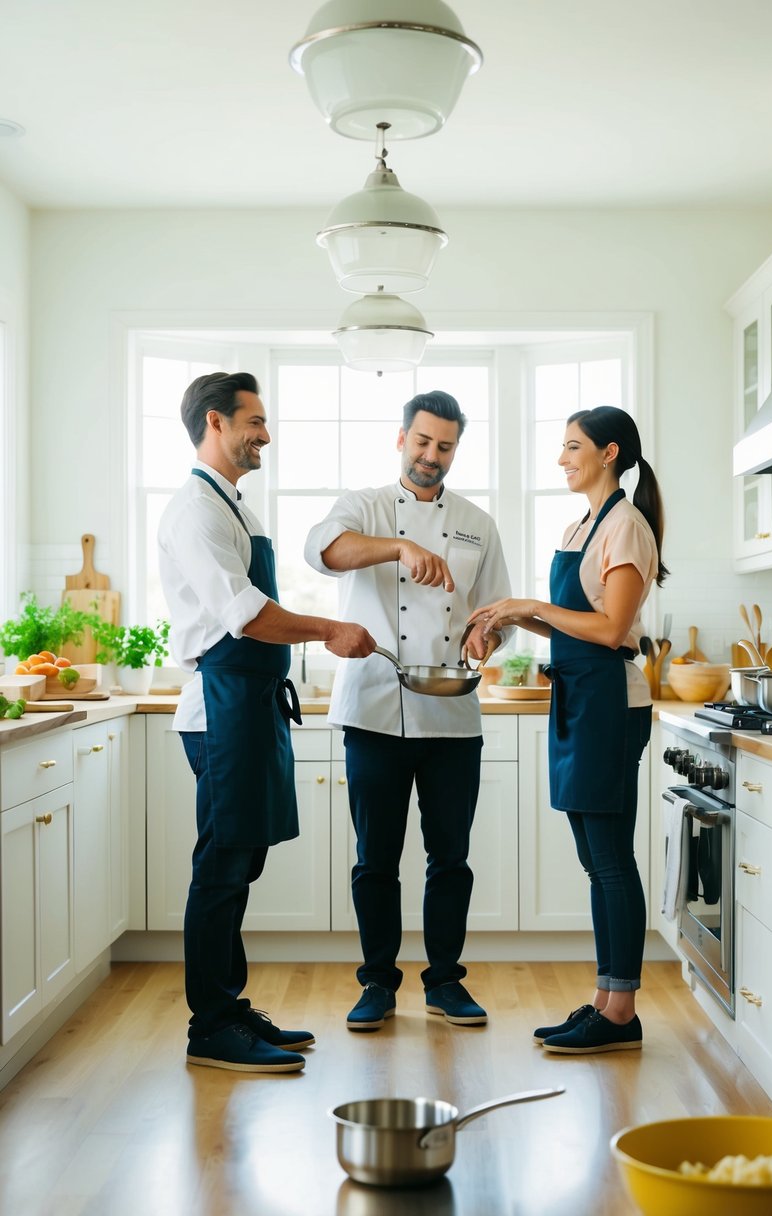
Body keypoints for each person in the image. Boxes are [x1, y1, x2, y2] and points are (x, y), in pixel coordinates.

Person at [158, 371, 375, 1074]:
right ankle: (210, 1027)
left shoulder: (231, 506)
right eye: (253, 421)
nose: (265, 434)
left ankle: (228, 1005)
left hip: (248, 703)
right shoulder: (195, 510)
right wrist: (328, 629)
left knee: (240, 859)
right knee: (221, 864)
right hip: (220, 708)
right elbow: (244, 613)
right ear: (215, 423)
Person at [304, 390, 512, 1031]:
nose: (432, 456)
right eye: (422, 442)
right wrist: (397, 548)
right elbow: (322, 550)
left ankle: (445, 982)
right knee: (376, 857)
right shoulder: (363, 506)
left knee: (451, 857)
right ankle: (377, 984)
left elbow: (497, 610)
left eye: (445, 446)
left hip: (452, 716)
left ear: (456, 448)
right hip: (372, 710)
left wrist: (487, 636)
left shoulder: (478, 522)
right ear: (401, 439)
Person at [469, 405, 667, 1054]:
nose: (561, 457)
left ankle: (619, 1014)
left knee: (609, 862)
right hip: (580, 701)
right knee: (595, 861)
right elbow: (568, 622)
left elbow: (610, 628)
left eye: (571, 446)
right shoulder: (580, 525)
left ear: (608, 453)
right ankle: (606, 1002)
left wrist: (530, 603)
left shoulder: (626, 527)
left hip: (610, 704)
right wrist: (508, 615)